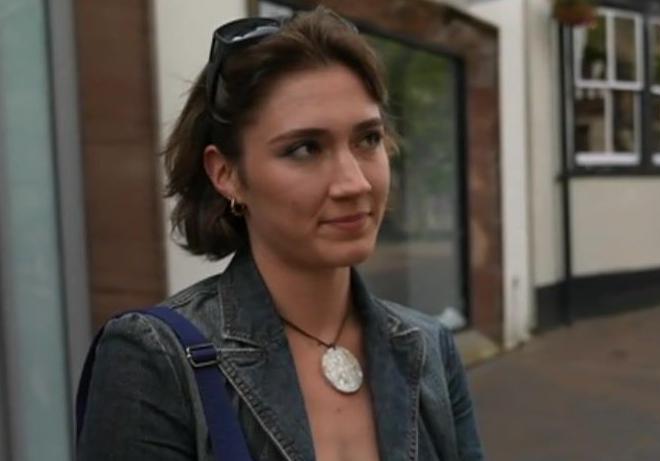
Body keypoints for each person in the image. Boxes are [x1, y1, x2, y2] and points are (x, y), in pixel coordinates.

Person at [77, 7, 484, 461]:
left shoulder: (427, 346)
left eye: (367, 139)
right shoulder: (155, 358)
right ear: (226, 173)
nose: (355, 182)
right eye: (305, 148)